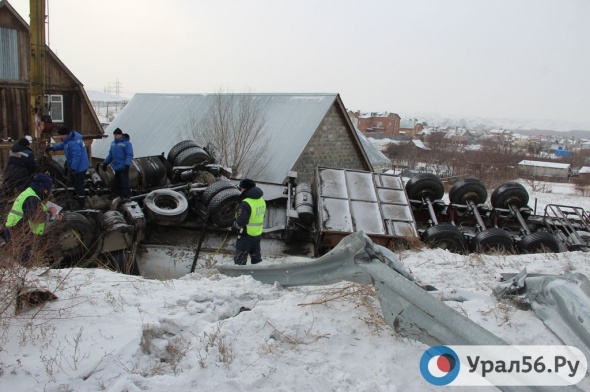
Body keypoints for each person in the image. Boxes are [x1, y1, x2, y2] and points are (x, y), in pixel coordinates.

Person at [1, 173, 62, 262]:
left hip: (17, 229)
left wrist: (52, 212)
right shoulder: (31, 198)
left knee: (21, 258)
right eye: (46, 190)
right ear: (41, 187)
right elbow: (36, 217)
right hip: (19, 231)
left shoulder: (30, 193)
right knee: (23, 260)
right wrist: (51, 214)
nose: (47, 192)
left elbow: (36, 209)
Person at [45, 126, 89, 207]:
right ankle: (77, 196)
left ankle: (82, 202)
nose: (60, 137)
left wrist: (73, 168)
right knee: (74, 182)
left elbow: (77, 157)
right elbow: (62, 145)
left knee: (79, 184)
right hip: (75, 166)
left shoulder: (75, 142)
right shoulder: (68, 140)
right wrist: (52, 148)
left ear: (66, 134)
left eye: (61, 135)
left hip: (80, 167)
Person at [231, 178, 266, 265]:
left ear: (245, 189)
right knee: (256, 258)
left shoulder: (246, 203)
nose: (240, 190)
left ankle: (238, 276)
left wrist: (235, 226)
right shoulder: (261, 200)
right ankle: (258, 275)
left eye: (241, 188)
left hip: (246, 235)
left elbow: (242, 220)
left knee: (240, 259)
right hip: (257, 234)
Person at [102, 128, 133, 198]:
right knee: (117, 181)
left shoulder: (127, 144)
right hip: (116, 166)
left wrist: (127, 164)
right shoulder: (113, 144)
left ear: (121, 135)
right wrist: (105, 163)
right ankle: (117, 194)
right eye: (114, 135)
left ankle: (127, 196)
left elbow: (129, 154)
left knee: (124, 182)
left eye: (116, 135)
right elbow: (110, 155)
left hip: (123, 166)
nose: (115, 136)